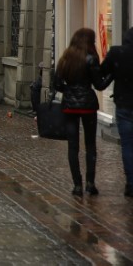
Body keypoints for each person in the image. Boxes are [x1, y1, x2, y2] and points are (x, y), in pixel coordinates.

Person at [54, 28, 112, 197]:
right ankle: (90, 183)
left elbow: (57, 84)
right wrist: (111, 75)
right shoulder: (90, 58)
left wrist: (69, 91)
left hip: (70, 106)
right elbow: (100, 85)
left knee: (73, 146)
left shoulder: (65, 58)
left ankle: (77, 184)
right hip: (87, 105)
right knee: (90, 145)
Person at [99, 27, 133, 197]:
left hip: (124, 105)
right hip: (125, 104)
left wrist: (114, 72)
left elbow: (101, 71)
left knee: (127, 144)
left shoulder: (117, 53)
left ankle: (131, 183)